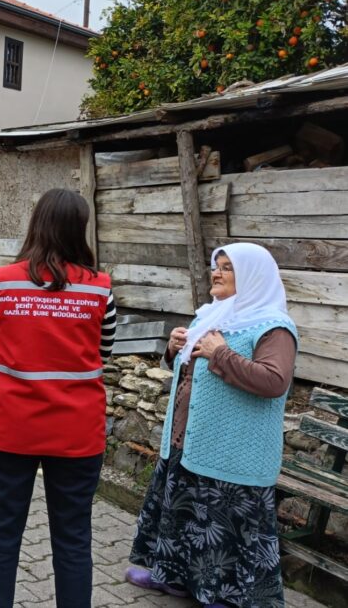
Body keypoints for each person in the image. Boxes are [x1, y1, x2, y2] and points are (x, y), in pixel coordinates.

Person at [126, 243, 298, 608]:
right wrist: (175, 350)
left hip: (233, 453)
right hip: (189, 442)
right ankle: (172, 576)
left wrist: (220, 353)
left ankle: (224, 596)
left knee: (221, 524)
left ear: (252, 277)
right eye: (215, 266)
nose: (215, 273)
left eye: (227, 268)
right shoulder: (211, 316)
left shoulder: (274, 328)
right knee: (183, 513)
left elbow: (274, 381)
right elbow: (191, 373)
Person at [0, 188, 116, 608]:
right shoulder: (100, 289)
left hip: (9, 428)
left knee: (0, 533)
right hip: (76, 432)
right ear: (80, 229)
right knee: (73, 538)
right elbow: (102, 351)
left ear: (35, 224)